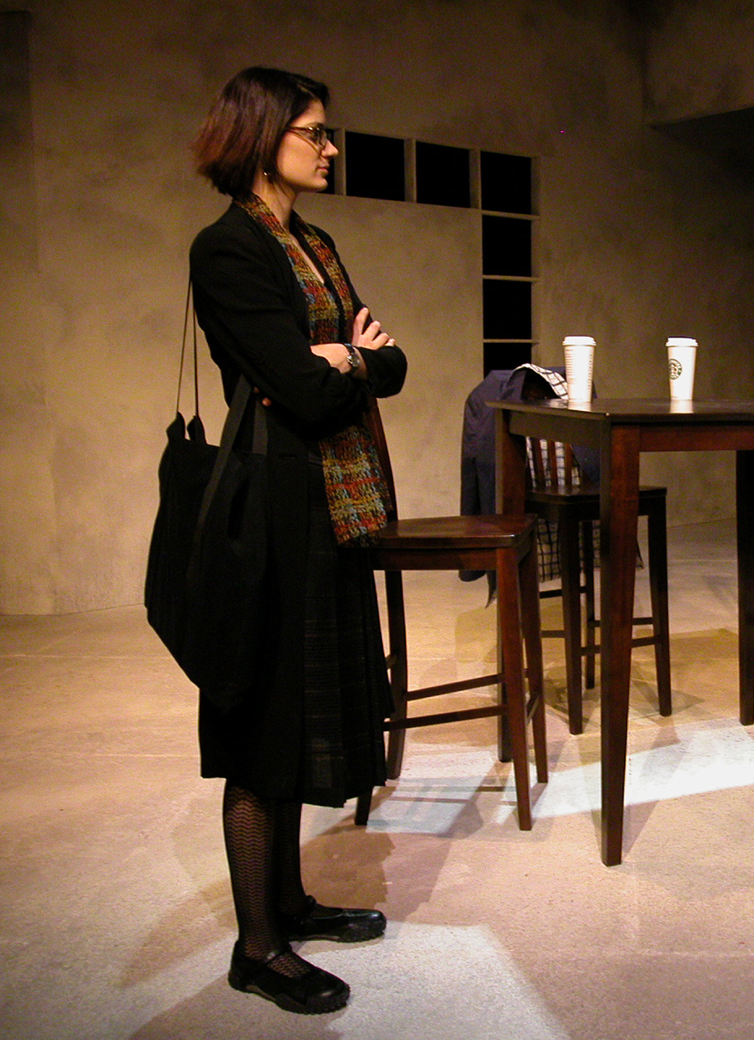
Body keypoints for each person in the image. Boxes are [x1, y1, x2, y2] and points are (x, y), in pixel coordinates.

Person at [189, 67, 407, 1013]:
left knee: (301, 713)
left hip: (327, 507)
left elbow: (390, 364)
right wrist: (348, 362)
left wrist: (345, 358)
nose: (330, 147)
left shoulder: (315, 243)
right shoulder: (227, 249)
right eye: (313, 132)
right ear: (262, 135)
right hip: (271, 514)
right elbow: (306, 391)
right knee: (261, 728)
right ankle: (258, 947)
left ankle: (289, 903)